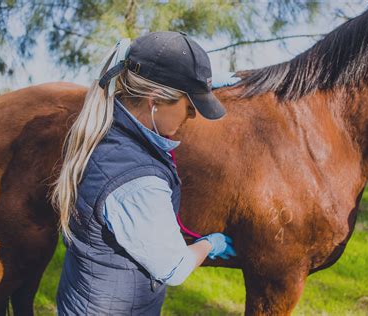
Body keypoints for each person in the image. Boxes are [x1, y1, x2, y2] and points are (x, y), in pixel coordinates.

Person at [51, 31, 237, 315]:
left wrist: (200, 87)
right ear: (155, 101)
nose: (192, 116)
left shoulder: (104, 127)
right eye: (190, 106)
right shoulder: (138, 180)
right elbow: (174, 268)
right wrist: (209, 245)